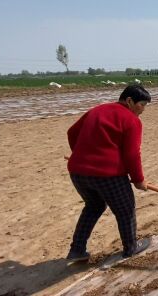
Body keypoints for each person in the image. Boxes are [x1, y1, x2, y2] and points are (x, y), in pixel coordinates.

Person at [65, 84, 152, 262]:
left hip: (78, 172)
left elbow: (72, 132)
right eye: (141, 104)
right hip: (107, 175)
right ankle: (130, 248)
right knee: (125, 210)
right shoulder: (131, 120)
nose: (143, 110)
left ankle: (77, 250)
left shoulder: (98, 110)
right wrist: (138, 180)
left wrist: (80, 155)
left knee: (94, 206)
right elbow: (132, 154)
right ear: (129, 101)